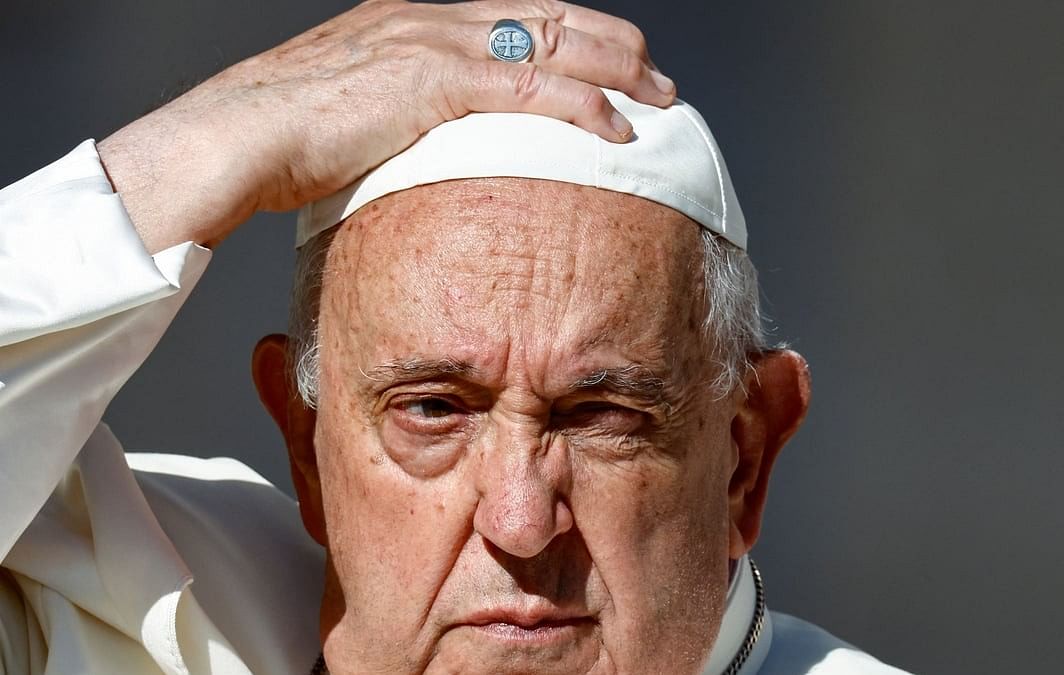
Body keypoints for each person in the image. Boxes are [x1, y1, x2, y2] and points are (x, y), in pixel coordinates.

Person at [0, 2, 911, 673]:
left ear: (743, 459)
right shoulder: (121, 611)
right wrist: (220, 134)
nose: (519, 522)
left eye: (599, 414)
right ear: (304, 447)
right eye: (434, 408)